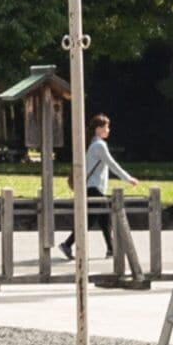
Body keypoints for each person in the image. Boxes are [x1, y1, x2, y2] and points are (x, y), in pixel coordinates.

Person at [60, 112, 138, 265]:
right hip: (94, 188)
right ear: (98, 129)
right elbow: (112, 164)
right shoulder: (99, 145)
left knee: (99, 219)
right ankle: (71, 244)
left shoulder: (93, 144)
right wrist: (128, 178)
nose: (108, 129)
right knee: (99, 218)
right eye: (106, 127)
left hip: (92, 187)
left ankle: (105, 248)